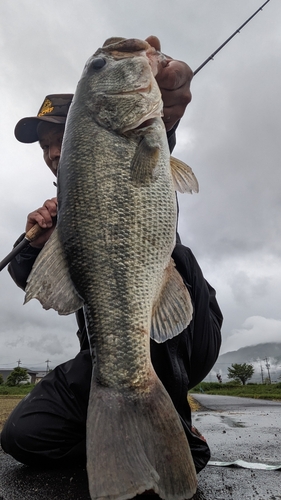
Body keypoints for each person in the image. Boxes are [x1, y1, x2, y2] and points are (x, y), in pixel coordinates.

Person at [1, 37, 223, 475]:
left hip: (183, 326)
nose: (51, 153)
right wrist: (38, 248)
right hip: (108, 346)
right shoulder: (63, 211)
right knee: (23, 436)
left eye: (58, 139)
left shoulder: (134, 141)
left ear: (83, 129)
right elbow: (43, 283)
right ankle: (123, 440)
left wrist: (166, 111)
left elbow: (153, 141)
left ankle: (175, 429)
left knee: (159, 305)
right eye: (44, 148)